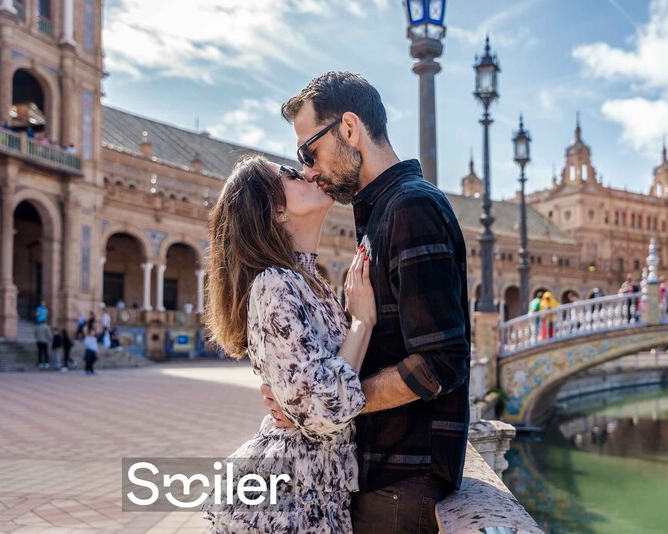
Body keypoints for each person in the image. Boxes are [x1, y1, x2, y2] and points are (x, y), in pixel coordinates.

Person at [265, 72, 471, 532]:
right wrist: (300, 394)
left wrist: (331, 403)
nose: (310, 170)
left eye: (309, 151)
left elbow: (441, 361)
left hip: (404, 477)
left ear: (350, 128)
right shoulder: (381, 214)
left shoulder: (411, 208)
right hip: (382, 471)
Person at [200, 154, 375, 532]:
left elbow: (311, 394)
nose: (311, 173)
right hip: (293, 500)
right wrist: (362, 322)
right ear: (277, 212)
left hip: (314, 491)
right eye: (294, 175)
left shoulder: (309, 283)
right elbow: (322, 410)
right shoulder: (275, 283)